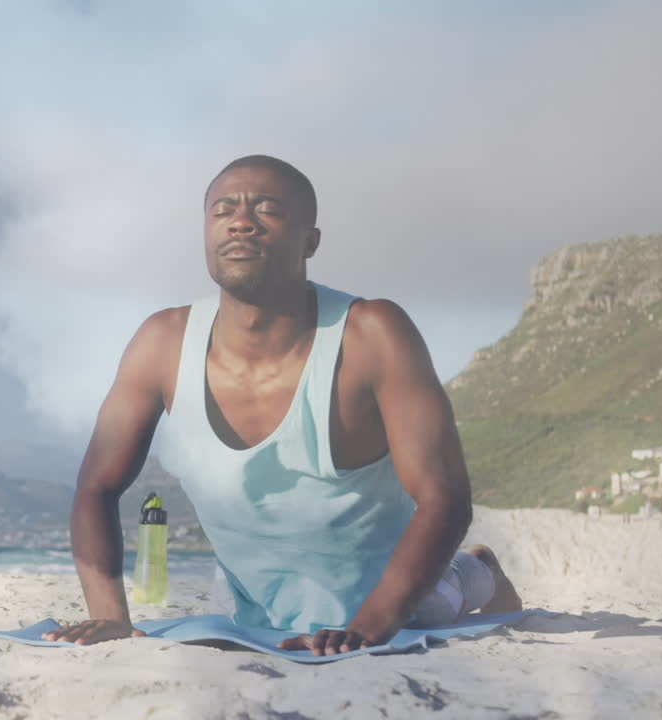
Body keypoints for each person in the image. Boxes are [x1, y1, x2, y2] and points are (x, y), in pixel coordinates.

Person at [43, 155, 521, 656]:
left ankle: (478, 568)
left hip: (394, 600)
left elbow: (445, 497)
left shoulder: (373, 335)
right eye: (222, 209)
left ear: (311, 241)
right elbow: (96, 485)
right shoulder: (161, 342)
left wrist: (368, 628)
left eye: (267, 209)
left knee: (441, 600)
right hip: (255, 606)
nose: (241, 220)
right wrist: (109, 618)